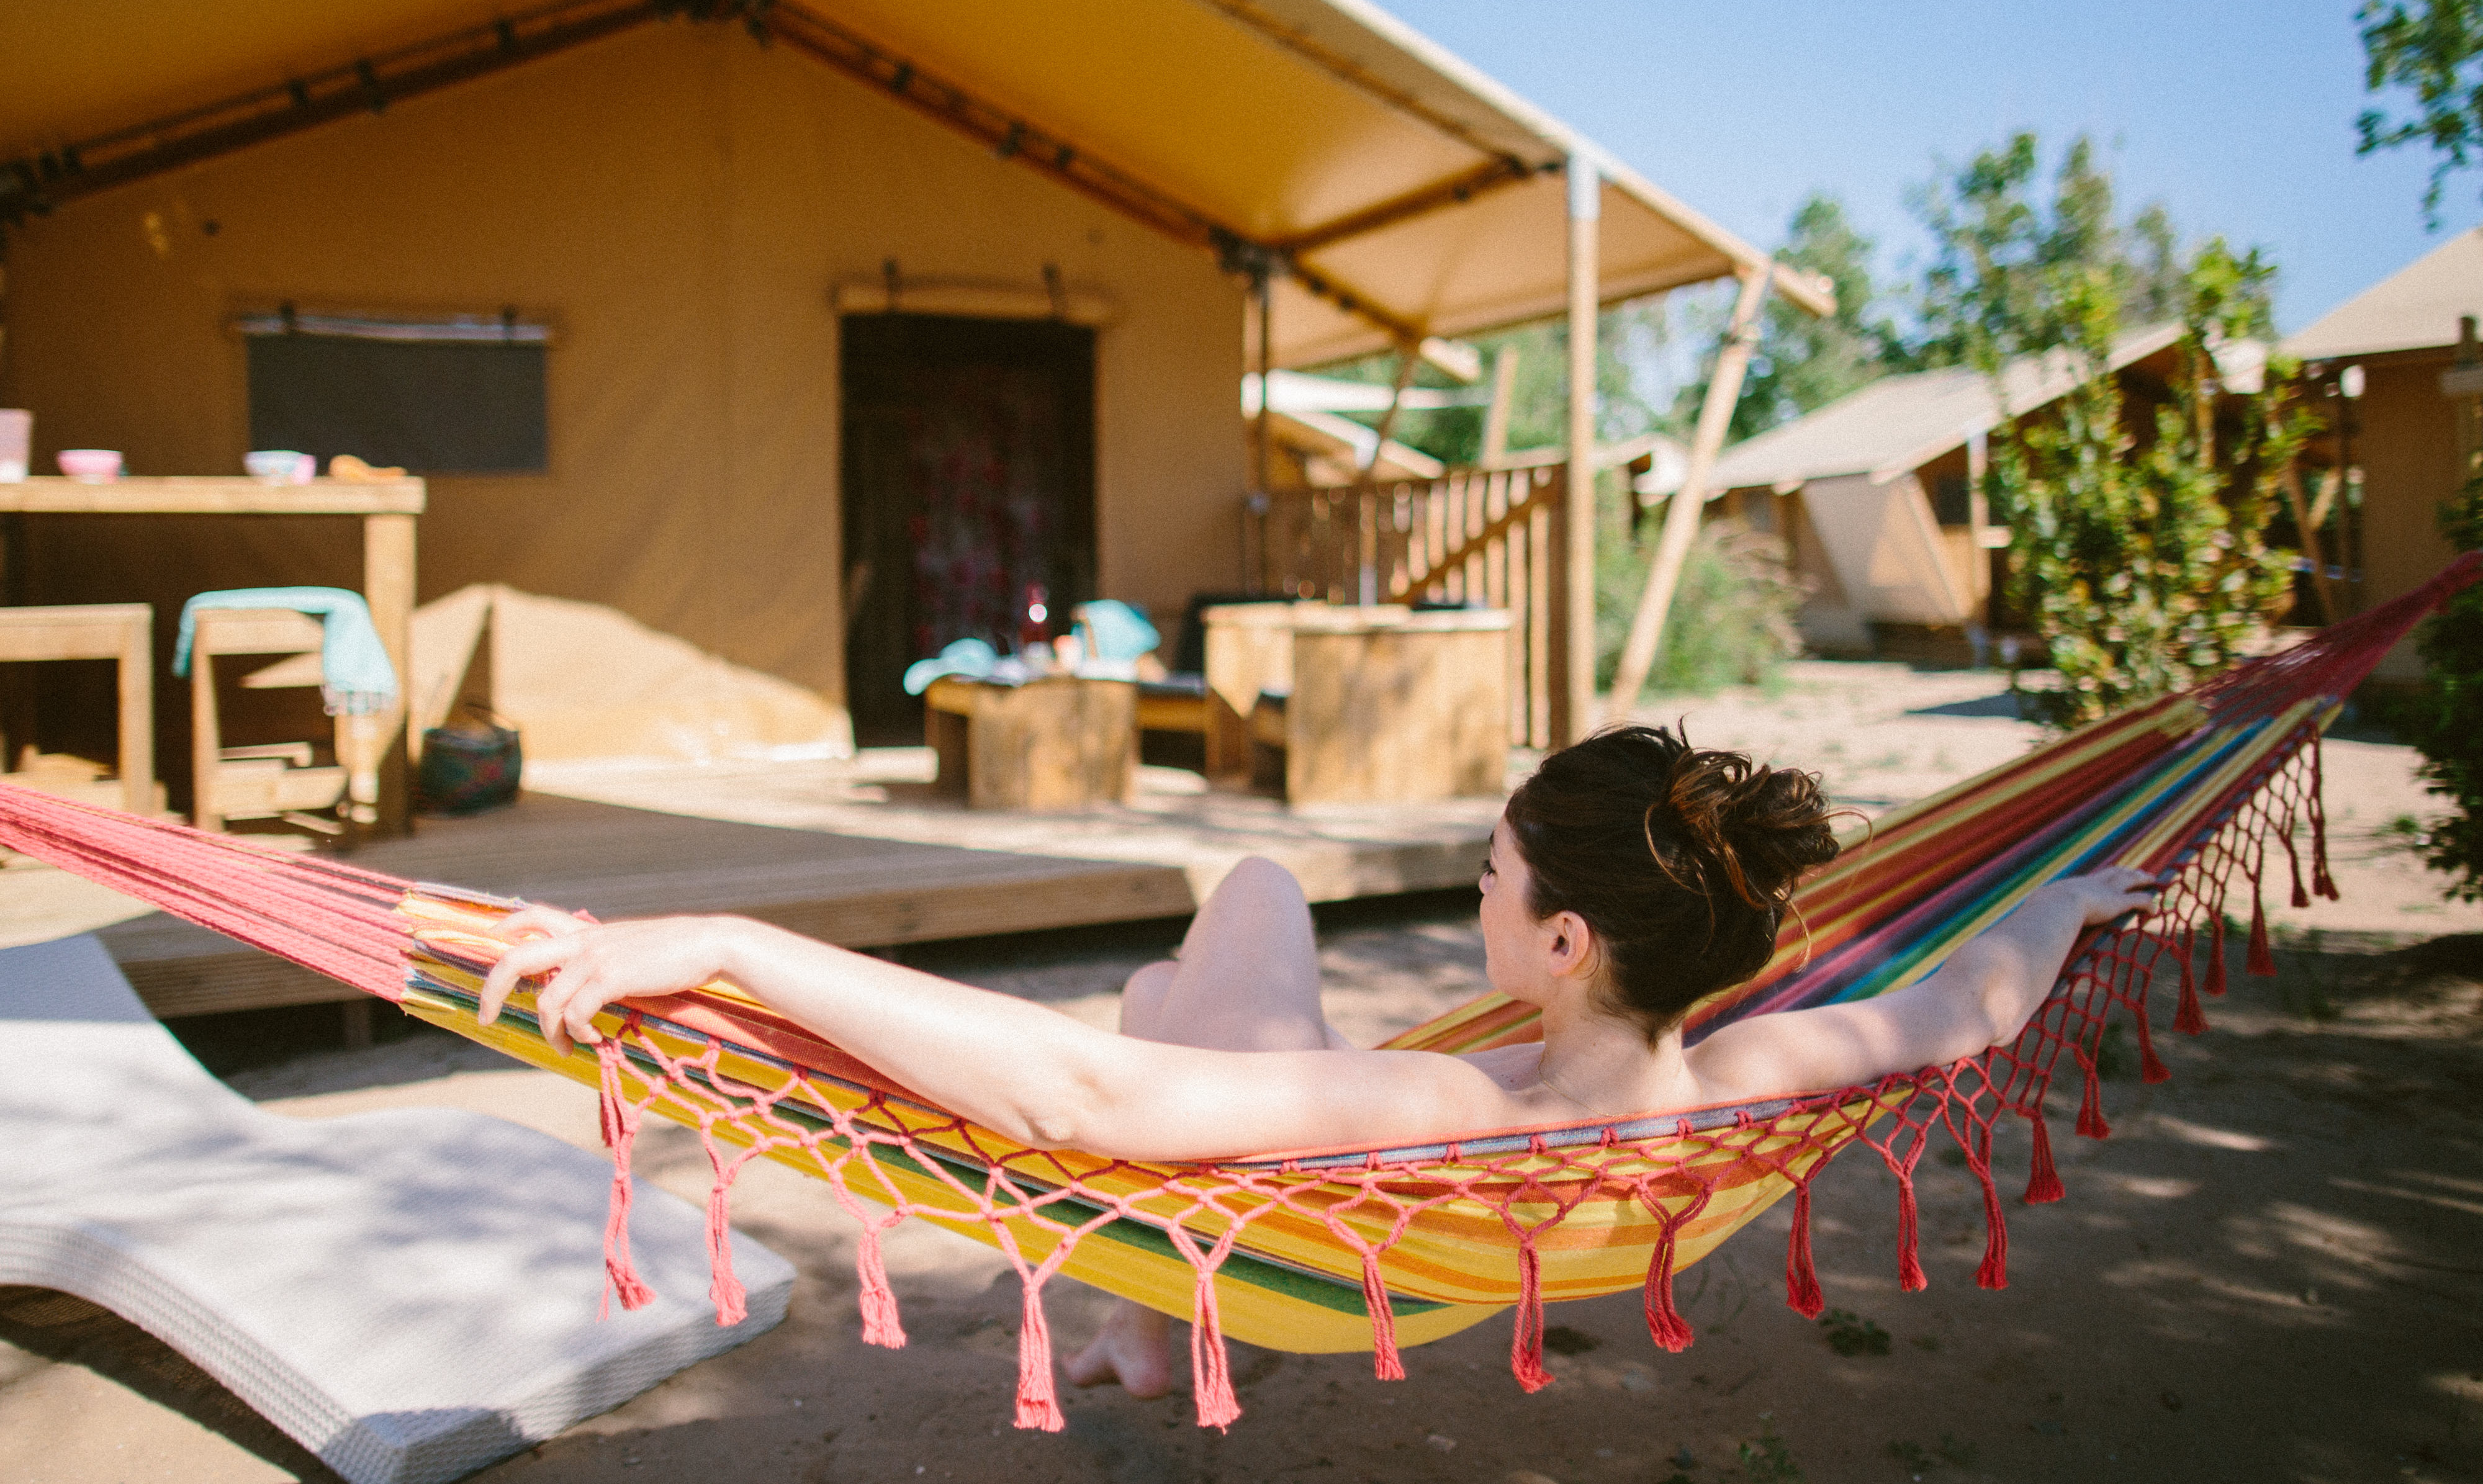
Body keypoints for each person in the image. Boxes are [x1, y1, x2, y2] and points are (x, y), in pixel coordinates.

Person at [477, 724, 2156, 1399]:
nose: (1482, 898)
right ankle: (1152, 1320)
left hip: (1316, 1172)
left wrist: (732, 947)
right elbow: (1980, 1000)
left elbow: (1086, 1104)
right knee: (1179, 964)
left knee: (1240, 911)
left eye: (1494, 881)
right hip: (1502, 1160)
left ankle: (1147, 1311)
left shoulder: (1444, 1104)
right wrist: (2066, 890)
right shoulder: (1764, 1064)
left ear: (1566, 942)